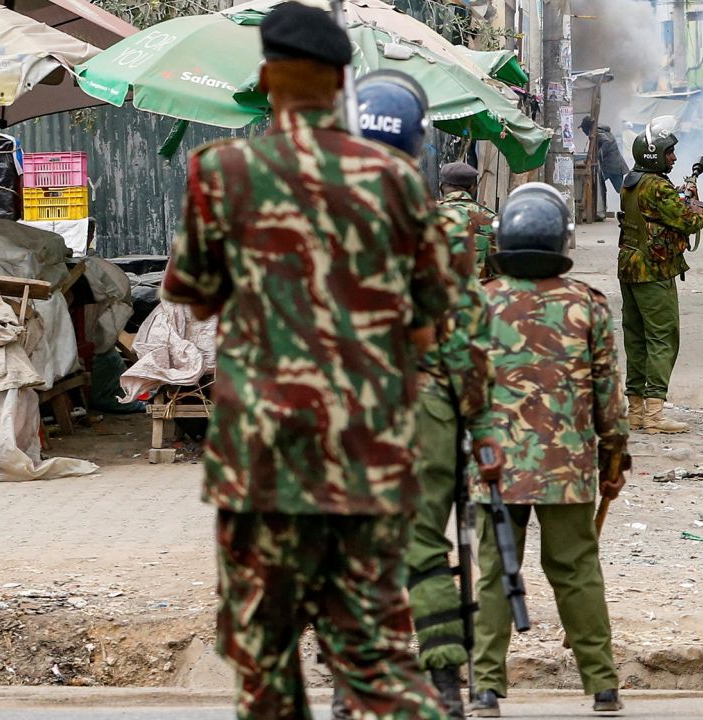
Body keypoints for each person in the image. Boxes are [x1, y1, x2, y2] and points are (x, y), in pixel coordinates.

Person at [160, 4, 456, 719]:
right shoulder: (397, 179)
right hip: (368, 459)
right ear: (341, 83)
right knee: (378, 662)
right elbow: (427, 330)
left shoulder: (221, 172)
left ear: (266, 78)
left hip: (262, 465)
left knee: (265, 666)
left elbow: (194, 303)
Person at [347, 71, 506, 719]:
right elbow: (468, 336)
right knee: (425, 549)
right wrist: (483, 424)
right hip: (429, 407)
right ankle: (443, 680)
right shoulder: (431, 233)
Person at [469, 183, 630, 717]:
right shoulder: (587, 305)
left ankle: (487, 686)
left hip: (496, 466)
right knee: (577, 568)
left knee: (495, 572)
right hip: (568, 465)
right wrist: (615, 457)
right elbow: (608, 393)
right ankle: (602, 684)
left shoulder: (480, 302)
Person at [617, 116, 703, 433]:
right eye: (669, 153)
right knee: (662, 337)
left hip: (629, 267)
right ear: (654, 154)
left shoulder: (632, 181)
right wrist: (691, 202)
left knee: (636, 339)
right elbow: (691, 222)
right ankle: (655, 414)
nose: (674, 158)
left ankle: (637, 410)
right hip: (653, 270)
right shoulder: (656, 186)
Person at [439, 161, 498, 280]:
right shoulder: (491, 220)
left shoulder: (426, 214)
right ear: (472, 188)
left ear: (441, 187)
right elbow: (499, 270)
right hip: (478, 295)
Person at [581, 115, 629, 216]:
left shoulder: (597, 132)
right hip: (612, 165)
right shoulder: (599, 130)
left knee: (605, 186)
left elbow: (607, 142)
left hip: (612, 166)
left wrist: (598, 155)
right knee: (609, 187)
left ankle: (628, 209)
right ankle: (605, 209)